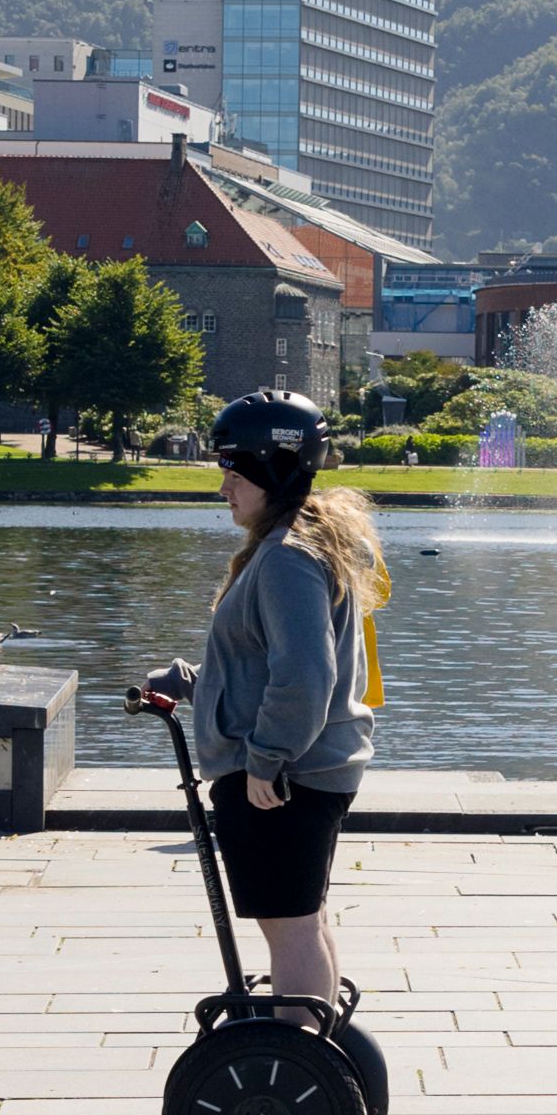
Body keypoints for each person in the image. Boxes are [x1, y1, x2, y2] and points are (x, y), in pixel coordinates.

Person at [160, 390, 383, 1008]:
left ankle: (295, 1051)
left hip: (284, 777)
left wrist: (265, 758)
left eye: (235, 472)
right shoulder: (292, 545)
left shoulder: (287, 559)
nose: (223, 487)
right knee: (303, 919)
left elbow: (306, 676)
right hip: (300, 769)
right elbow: (264, 665)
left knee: (289, 928)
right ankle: (315, 1042)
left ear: (273, 469)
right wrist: (192, 682)